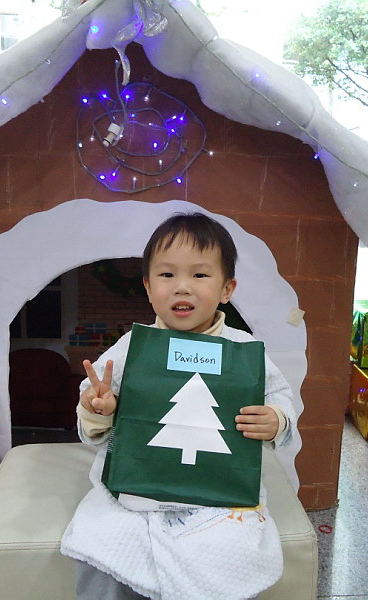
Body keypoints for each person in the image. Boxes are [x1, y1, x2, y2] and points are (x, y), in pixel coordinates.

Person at [61, 212, 296, 600]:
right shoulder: (131, 348)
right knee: (101, 545)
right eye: (167, 275)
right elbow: (93, 407)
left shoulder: (244, 350)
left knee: (231, 550)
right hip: (135, 488)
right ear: (148, 287)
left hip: (218, 492)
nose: (182, 287)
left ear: (227, 288)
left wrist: (276, 419)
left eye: (200, 275)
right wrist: (98, 406)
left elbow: (280, 397)